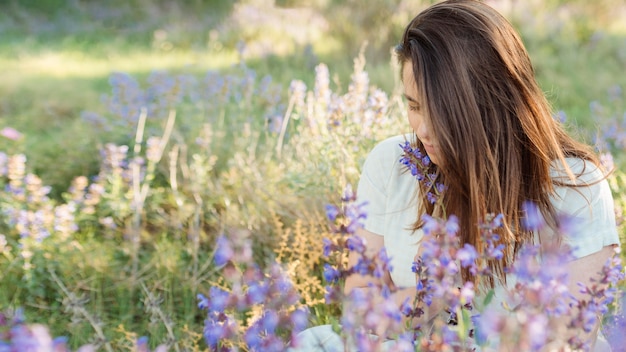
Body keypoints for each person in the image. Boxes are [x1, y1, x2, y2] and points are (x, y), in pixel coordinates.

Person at [291, 0, 621, 350]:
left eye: (441, 111)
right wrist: (430, 298)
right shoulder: (391, 163)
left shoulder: (574, 185)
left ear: (491, 103)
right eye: (414, 106)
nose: (424, 129)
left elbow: (573, 335)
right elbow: (360, 307)